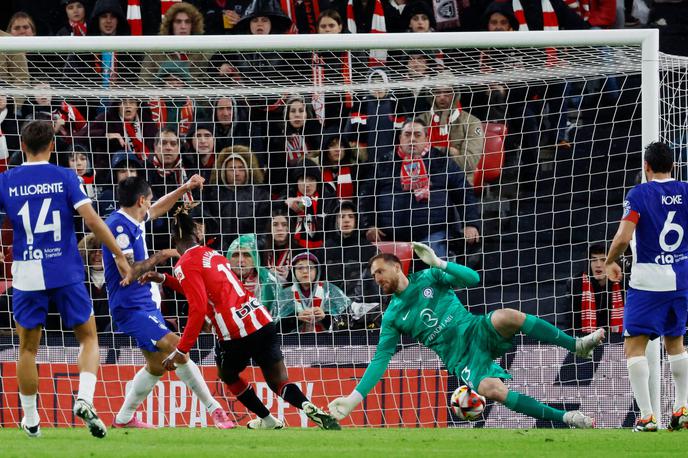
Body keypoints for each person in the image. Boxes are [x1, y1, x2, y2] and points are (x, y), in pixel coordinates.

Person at [328, 243, 604, 427]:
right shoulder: (391, 316)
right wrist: (353, 399)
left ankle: (577, 345)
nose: (376, 278)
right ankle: (567, 417)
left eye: (380, 271)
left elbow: (473, 279)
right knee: (492, 390)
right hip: (461, 357)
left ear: (397, 266)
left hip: (475, 328)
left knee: (508, 315)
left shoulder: (429, 278)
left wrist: (440, 263)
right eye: (373, 274)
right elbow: (380, 360)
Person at [140, 206, 341, 430]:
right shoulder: (213, 254)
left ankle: (268, 420)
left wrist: (181, 350)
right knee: (279, 381)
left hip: (234, 331)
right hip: (261, 319)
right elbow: (199, 286)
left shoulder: (184, 264)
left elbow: (196, 307)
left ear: (174, 238)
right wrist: (164, 279)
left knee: (228, 374)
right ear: (197, 235)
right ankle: (308, 406)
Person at [0, 120, 132, 438]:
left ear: (22, 143)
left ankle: (31, 423)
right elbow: (92, 221)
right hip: (66, 269)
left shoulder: (6, 180)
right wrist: (117, 253)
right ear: (52, 145)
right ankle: (85, 398)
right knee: (88, 337)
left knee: (27, 350)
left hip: (27, 271)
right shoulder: (65, 177)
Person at [102, 175, 234, 429]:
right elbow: (128, 273)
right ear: (140, 200)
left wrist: (184, 188)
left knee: (155, 366)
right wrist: (162, 255)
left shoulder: (134, 218)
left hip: (145, 303)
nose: (151, 206)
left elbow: (159, 206)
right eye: (148, 201)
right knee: (176, 347)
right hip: (130, 307)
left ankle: (124, 418)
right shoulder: (118, 227)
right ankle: (216, 411)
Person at [605, 141, 688, 432]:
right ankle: (682, 407)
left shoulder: (638, 194)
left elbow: (623, 238)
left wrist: (610, 261)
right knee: (675, 342)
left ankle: (647, 416)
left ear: (646, 167)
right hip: (680, 279)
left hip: (648, 282)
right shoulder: (687, 191)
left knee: (634, 346)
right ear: (674, 166)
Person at [359, 119, 480, 260]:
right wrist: (369, 225)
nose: (412, 139)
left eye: (417, 135)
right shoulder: (383, 163)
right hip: (390, 237)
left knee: (437, 269)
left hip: (433, 235)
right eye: (407, 134)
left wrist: (471, 224)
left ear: (426, 138)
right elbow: (366, 195)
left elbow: (464, 192)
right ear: (400, 138)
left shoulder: (442, 162)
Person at [275, 251, 351, 333]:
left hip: (327, 343)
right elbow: (276, 328)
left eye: (310, 267)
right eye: (300, 268)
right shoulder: (285, 294)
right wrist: (297, 318)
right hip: (293, 343)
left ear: (317, 270)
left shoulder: (330, 290)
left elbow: (346, 323)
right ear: (293, 271)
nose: (305, 271)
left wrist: (325, 317)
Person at [565, 243, 624, 336]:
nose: (598, 265)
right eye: (594, 260)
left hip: (614, 340)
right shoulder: (576, 283)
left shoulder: (622, 283)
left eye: (603, 260)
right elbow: (570, 320)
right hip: (583, 339)